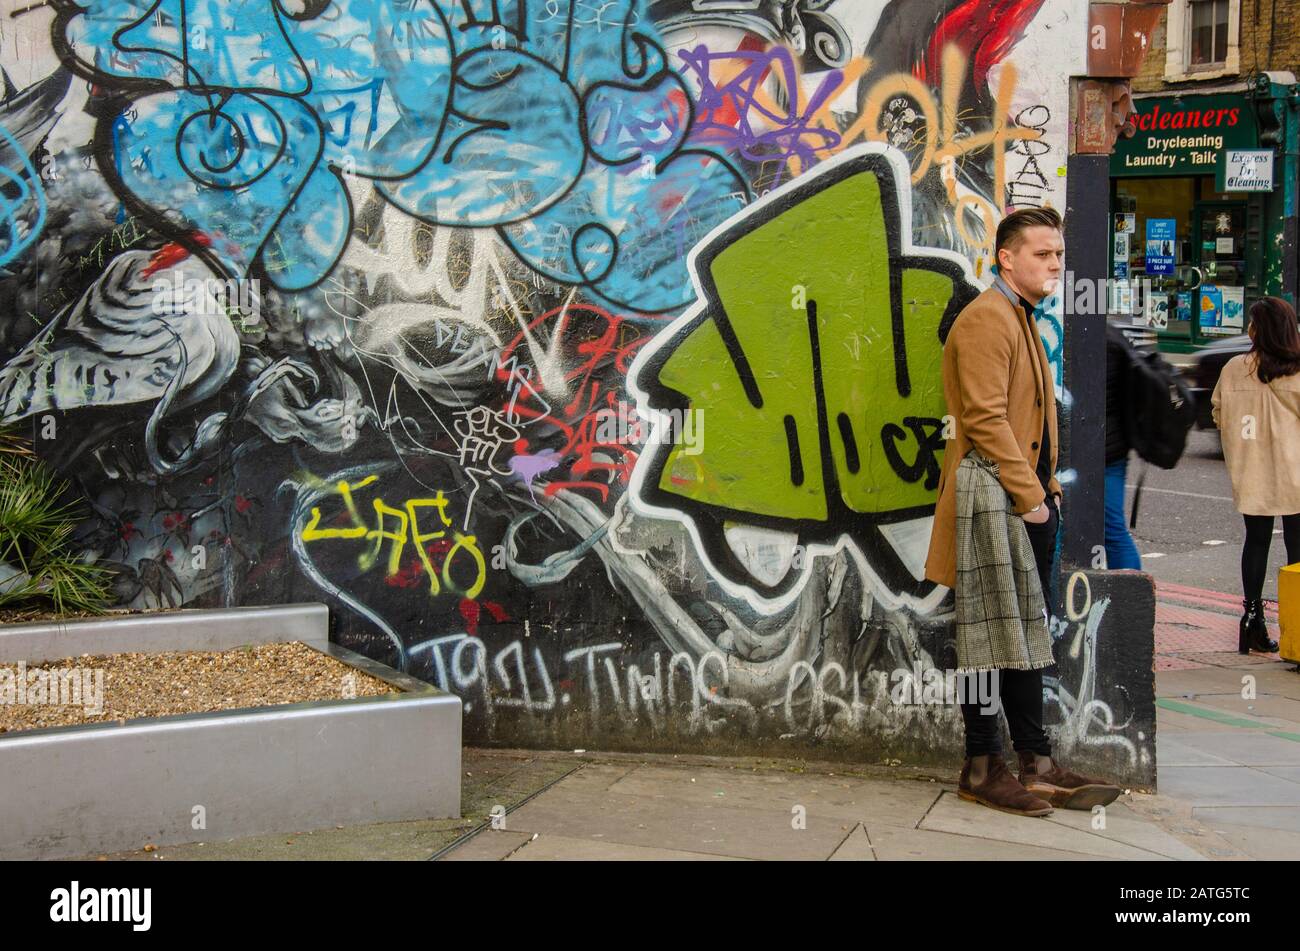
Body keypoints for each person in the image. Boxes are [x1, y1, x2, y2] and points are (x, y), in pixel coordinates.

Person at [924, 206, 1121, 817]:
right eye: (1043, 254)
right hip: (996, 500)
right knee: (988, 641)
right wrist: (1033, 500)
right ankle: (982, 766)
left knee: (1020, 639)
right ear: (1007, 258)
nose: (1056, 264)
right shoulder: (988, 318)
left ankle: (1036, 763)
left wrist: (1045, 496)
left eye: (1060, 254)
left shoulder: (1019, 315)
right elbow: (984, 419)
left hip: (1021, 502)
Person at [1210, 296, 1300, 654]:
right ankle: (1296, 630)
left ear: (1256, 329)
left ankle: (1251, 621)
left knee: (1256, 542)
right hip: (1295, 474)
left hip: (1253, 472)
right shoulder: (1296, 370)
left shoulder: (1234, 368)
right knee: (1297, 552)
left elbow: (1219, 413)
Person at [1103, 323, 1142, 569]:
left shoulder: (1101, 342)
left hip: (1102, 450)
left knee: (1113, 530)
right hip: (1115, 449)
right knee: (1114, 529)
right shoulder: (1116, 336)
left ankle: (1130, 599)